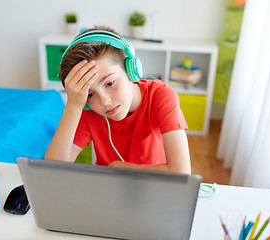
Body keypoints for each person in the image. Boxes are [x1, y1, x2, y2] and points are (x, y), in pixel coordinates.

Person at [44, 25, 191, 174]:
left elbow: (181, 172)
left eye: (110, 83)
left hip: (157, 185)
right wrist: (74, 104)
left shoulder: (160, 95)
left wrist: (120, 167)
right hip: (109, 188)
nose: (104, 101)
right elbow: (51, 172)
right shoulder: (87, 108)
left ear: (130, 70)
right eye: (90, 94)